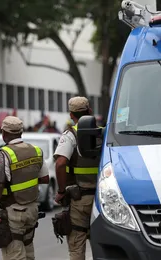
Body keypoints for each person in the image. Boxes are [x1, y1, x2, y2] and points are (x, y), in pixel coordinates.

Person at [0, 116, 49, 260]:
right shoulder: (36, 151)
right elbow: (45, 178)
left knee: (15, 255)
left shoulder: (4, 154)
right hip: (32, 209)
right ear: (21, 132)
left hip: (13, 211)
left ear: (4, 133)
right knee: (28, 251)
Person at [54, 97, 100, 260]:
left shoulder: (71, 135)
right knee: (103, 246)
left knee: (76, 247)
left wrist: (61, 191)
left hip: (79, 199)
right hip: (102, 200)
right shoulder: (103, 132)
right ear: (90, 112)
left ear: (71, 115)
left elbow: (60, 164)